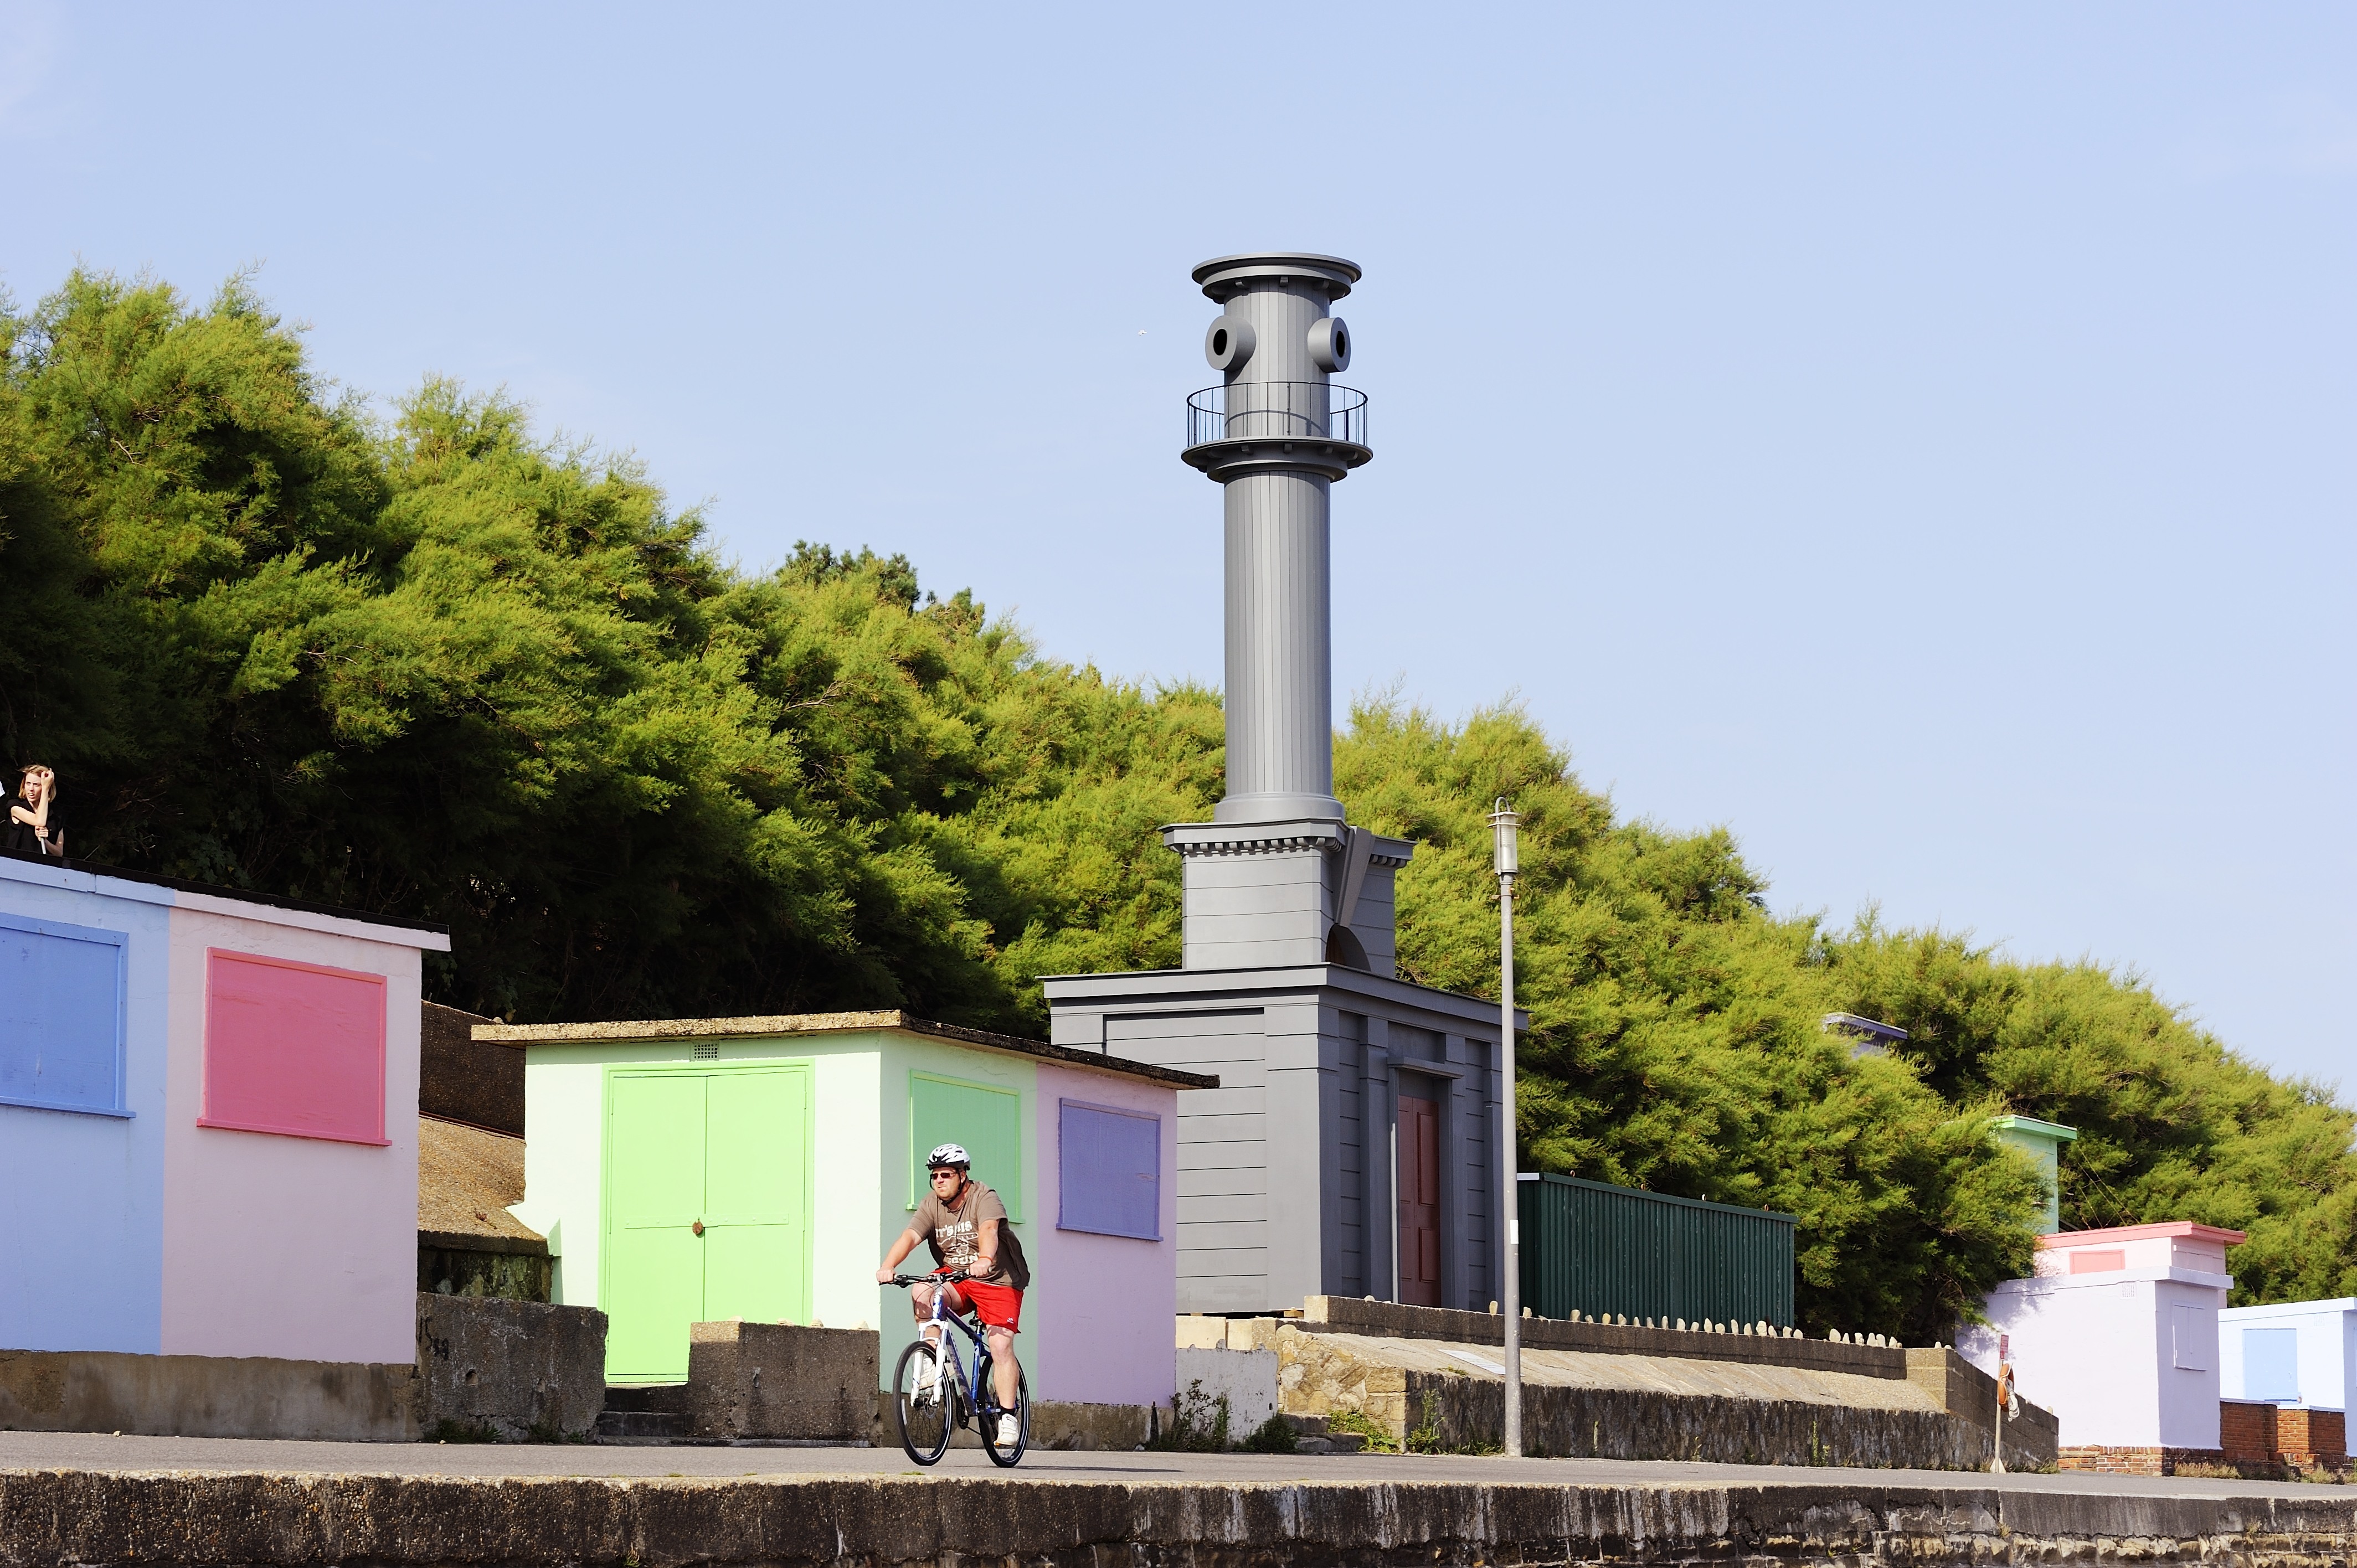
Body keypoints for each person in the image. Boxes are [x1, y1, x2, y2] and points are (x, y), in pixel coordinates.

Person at [876, 1142, 1030, 1448]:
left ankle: (1009, 1416)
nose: (939, 1181)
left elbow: (988, 1229)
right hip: (958, 1276)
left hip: (998, 1280)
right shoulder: (932, 1204)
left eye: (946, 1175)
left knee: (1000, 1345)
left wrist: (985, 1259)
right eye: (934, 1176)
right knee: (923, 1291)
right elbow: (911, 1236)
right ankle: (933, 1363)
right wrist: (888, 1266)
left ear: (963, 1175)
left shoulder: (984, 1197)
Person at [4, 766, 61, 858]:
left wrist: (45, 841)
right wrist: (46, 789)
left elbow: (59, 853)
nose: (31, 789)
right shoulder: (15, 806)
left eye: (36, 785)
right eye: (28, 783)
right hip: (17, 863)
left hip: (41, 867)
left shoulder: (57, 814)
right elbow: (39, 821)